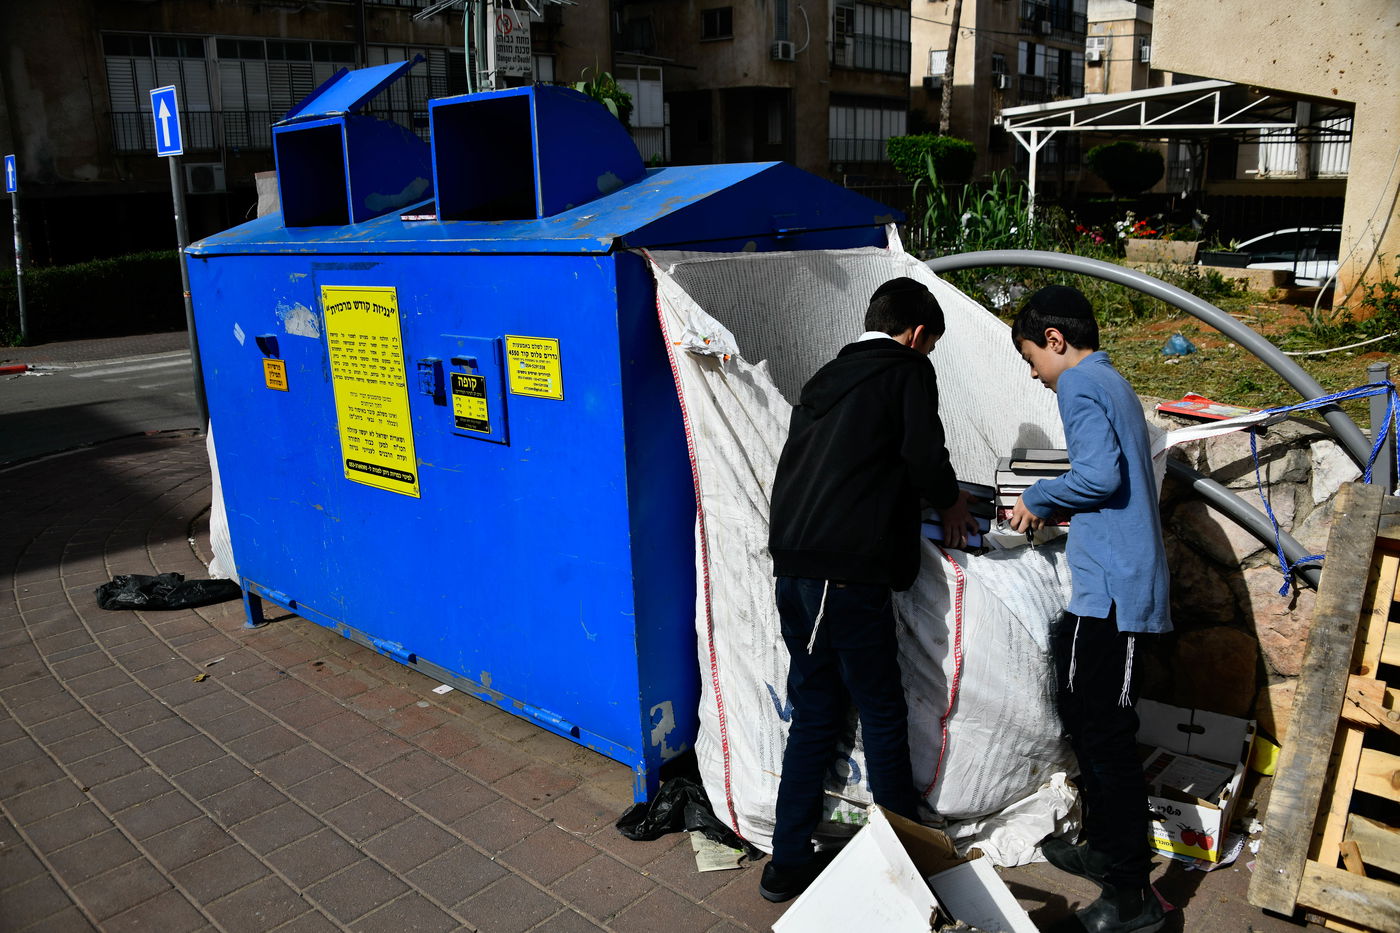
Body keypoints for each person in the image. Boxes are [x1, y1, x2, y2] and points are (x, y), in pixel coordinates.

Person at [761, 276, 978, 903]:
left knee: (817, 711)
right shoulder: (905, 370)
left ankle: (785, 863)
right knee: (881, 712)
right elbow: (924, 452)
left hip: (795, 568)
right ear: (916, 334)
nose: (927, 355)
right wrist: (952, 502)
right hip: (844, 574)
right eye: (929, 345)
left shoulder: (827, 377)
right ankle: (906, 867)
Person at [1007, 285, 1171, 933]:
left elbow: (1100, 477)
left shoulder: (1078, 383)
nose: (1034, 375)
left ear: (1054, 340)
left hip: (1114, 592)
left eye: (1031, 358)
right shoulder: (1108, 380)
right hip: (1105, 587)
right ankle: (1103, 847)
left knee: (1105, 737)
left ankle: (1131, 895)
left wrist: (1038, 497)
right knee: (1082, 715)